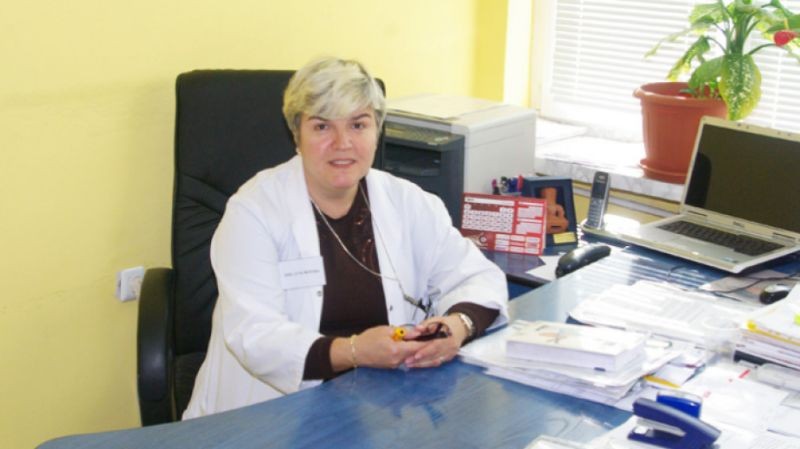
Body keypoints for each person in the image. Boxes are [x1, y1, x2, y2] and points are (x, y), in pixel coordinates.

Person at [183, 57, 509, 419]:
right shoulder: (253, 211)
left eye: (358, 124)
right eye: (322, 126)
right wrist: (354, 351)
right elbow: (254, 334)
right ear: (297, 135)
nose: (343, 143)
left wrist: (456, 326)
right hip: (266, 414)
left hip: (380, 403)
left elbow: (477, 276)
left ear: (377, 131)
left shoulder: (408, 202)